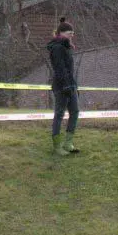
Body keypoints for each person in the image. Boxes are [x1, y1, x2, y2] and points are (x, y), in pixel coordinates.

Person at [47, 17, 80, 156]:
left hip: (70, 85)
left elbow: (69, 70)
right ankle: (57, 146)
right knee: (59, 114)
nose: (71, 36)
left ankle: (68, 143)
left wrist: (73, 86)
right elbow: (60, 69)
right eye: (69, 33)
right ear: (61, 33)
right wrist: (66, 86)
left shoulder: (66, 48)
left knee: (75, 111)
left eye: (72, 34)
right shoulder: (57, 48)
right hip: (61, 86)